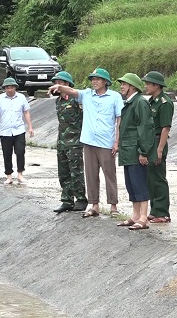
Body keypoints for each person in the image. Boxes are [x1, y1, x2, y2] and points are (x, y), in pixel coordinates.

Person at [47, 68, 124, 218]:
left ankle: (113, 206)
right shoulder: (87, 94)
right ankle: (94, 205)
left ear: (106, 82)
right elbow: (74, 91)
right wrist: (59, 87)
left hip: (106, 142)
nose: (94, 81)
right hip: (89, 141)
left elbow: (119, 120)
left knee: (109, 174)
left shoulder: (114, 97)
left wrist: (116, 141)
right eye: (92, 79)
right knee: (91, 175)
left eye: (98, 79)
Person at [115, 73, 154, 230]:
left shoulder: (140, 103)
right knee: (131, 183)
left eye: (124, 84)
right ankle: (135, 215)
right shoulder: (130, 103)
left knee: (139, 183)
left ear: (132, 86)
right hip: (127, 150)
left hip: (135, 150)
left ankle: (143, 217)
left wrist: (143, 151)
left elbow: (145, 128)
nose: (122, 87)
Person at [51, 71, 88, 213]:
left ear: (67, 84)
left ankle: (80, 199)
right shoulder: (58, 101)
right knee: (63, 172)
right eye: (55, 82)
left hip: (75, 142)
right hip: (62, 142)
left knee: (76, 172)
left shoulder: (75, 100)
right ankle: (67, 200)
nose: (57, 85)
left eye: (60, 82)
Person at [142, 71, 174, 223]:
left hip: (157, 141)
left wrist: (159, 149)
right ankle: (155, 210)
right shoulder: (151, 101)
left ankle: (162, 212)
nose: (146, 86)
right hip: (149, 141)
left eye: (148, 83)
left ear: (157, 85)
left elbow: (165, 128)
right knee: (150, 177)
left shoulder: (165, 103)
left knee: (158, 177)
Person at [0, 78, 35, 185]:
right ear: (4, 89)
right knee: (7, 154)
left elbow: (26, 112)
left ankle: (20, 174)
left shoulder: (21, 97)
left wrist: (30, 127)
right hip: (5, 131)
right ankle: (9, 176)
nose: (9, 90)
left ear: (15, 88)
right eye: (7, 88)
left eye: (11, 87)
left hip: (19, 129)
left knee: (20, 152)